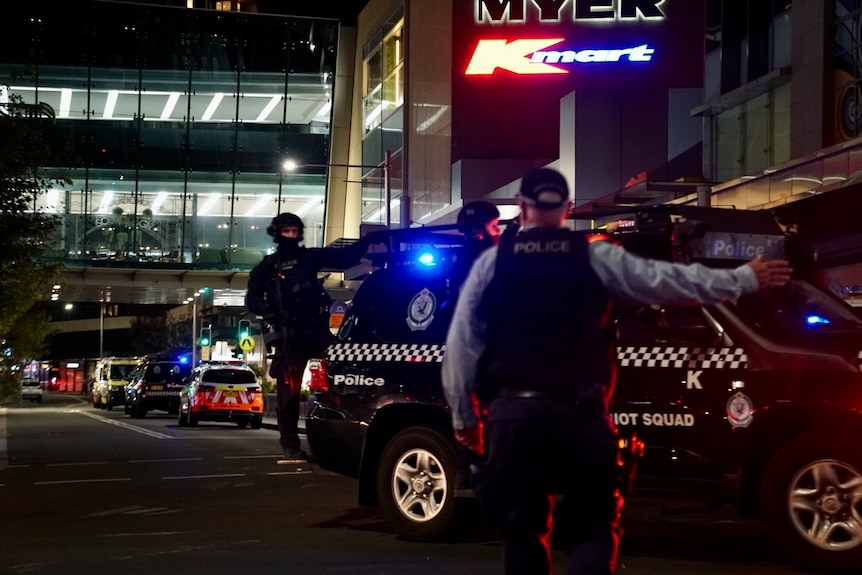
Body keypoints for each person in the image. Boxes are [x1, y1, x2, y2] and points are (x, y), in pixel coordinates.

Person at [441, 167, 793, 574]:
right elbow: (670, 282)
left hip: (512, 419)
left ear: (521, 209)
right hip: (579, 417)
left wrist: (464, 417)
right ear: (567, 209)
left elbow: (462, 346)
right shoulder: (593, 255)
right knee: (592, 528)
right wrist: (743, 277)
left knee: (522, 534)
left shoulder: (490, 264)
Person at [246, 212, 374, 460]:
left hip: (317, 329)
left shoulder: (309, 258)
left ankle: (344, 437)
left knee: (344, 377)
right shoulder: (267, 267)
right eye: (286, 232)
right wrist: (272, 313)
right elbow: (252, 300)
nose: (291, 236)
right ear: (277, 234)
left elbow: (343, 258)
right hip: (289, 334)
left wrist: (366, 243)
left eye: (295, 231)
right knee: (288, 393)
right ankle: (290, 444)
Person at [452, 200, 503, 288]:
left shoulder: (459, 258)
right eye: (493, 226)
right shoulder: (488, 260)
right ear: (476, 231)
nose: (499, 230)